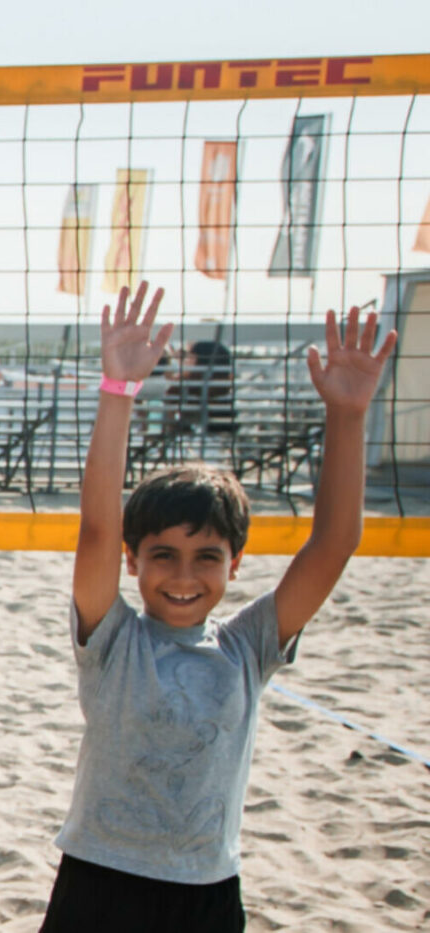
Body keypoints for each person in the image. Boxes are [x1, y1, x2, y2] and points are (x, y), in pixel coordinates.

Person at [39, 292, 392, 932]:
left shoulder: (247, 645)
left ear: (235, 565)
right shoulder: (112, 638)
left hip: (205, 889)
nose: (182, 575)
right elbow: (95, 530)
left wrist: (346, 414)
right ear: (132, 561)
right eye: (162, 554)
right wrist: (119, 389)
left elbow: (335, 543)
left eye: (206, 556)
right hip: (100, 881)